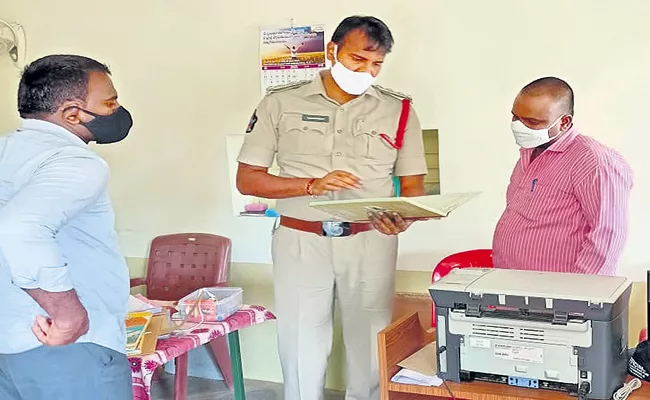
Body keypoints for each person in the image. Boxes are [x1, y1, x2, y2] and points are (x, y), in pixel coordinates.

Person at [237, 15, 427, 400]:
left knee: (371, 341)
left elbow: (413, 187)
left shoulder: (399, 109)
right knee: (301, 341)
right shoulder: (280, 102)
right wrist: (309, 185)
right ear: (332, 51)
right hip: (301, 238)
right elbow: (248, 179)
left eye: (376, 64)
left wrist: (402, 218)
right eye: (358, 59)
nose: (367, 71)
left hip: (371, 240)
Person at [0, 55, 134, 399]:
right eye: (110, 102)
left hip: (9, 343)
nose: (118, 109)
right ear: (72, 114)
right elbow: (20, 229)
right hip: (67, 348)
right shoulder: (75, 161)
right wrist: (67, 314)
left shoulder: (6, 151)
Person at [493, 77, 633, 276]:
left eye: (532, 122)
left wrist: (578, 294)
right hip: (515, 288)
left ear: (564, 122)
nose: (519, 127)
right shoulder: (529, 151)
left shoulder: (594, 162)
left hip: (560, 296)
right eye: (516, 117)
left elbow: (608, 235)